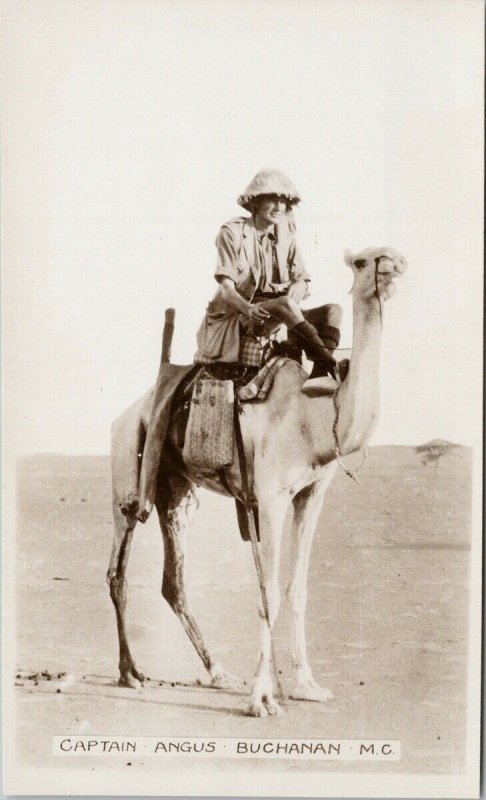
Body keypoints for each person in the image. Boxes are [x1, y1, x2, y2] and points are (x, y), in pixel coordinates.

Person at [194, 168, 343, 379]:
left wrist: (300, 285)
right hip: (238, 314)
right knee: (286, 305)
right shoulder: (232, 232)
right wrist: (248, 308)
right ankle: (330, 365)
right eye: (272, 200)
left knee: (334, 311)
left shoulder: (286, 237)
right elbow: (227, 289)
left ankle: (319, 372)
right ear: (255, 202)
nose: (279, 207)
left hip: (278, 311)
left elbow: (301, 276)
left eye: (283, 202)